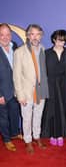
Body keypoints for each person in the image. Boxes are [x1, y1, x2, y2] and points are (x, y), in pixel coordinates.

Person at [13, 24, 49, 154]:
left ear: (41, 36)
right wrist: (20, 94)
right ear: (28, 36)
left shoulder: (43, 49)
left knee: (38, 116)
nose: (35, 37)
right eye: (32, 34)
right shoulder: (19, 52)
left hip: (41, 90)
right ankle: (28, 141)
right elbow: (16, 75)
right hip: (26, 91)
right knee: (27, 117)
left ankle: (37, 137)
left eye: (38, 34)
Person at [41, 30, 66, 146]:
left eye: (64, 40)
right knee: (52, 110)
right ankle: (52, 134)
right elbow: (42, 72)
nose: (62, 42)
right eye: (59, 40)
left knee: (63, 110)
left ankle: (61, 135)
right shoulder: (46, 53)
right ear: (54, 39)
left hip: (65, 85)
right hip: (51, 85)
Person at [0, 23, 22, 152]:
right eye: (2, 34)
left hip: (15, 90)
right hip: (2, 91)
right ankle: (7, 139)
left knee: (15, 113)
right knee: (3, 117)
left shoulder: (15, 46)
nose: (5, 37)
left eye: (7, 34)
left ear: (11, 35)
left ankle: (14, 133)